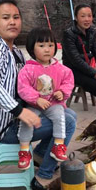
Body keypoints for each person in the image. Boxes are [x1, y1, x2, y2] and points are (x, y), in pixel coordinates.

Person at [0, 0, 77, 190]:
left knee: (67, 114)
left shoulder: (14, 52)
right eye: (5, 17)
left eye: (16, 17)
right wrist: (20, 110)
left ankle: (40, 154)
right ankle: (44, 175)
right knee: (68, 122)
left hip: (13, 119)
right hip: (4, 126)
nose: (12, 21)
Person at [16, 27, 74, 169]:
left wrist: (62, 91)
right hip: (33, 105)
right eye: (41, 46)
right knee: (26, 122)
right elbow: (23, 88)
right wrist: (36, 99)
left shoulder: (60, 68)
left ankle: (58, 145)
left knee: (60, 116)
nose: (47, 49)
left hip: (53, 104)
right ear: (32, 48)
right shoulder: (28, 69)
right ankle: (24, 151)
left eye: (50, 45)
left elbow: (68, 81)